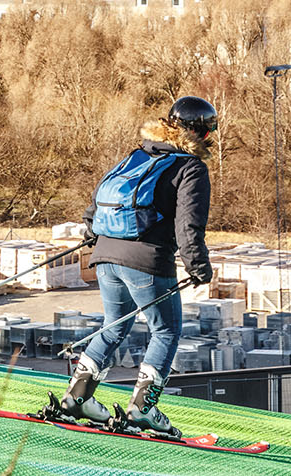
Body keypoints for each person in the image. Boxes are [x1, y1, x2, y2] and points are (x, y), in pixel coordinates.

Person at [45, 96, 216, 438]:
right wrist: (198, 265)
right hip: (147, 260)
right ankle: (143, 408)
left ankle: (77, 398)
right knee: (165, 331)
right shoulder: (190, 168)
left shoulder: (137, 154)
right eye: (210, 132)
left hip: (106, 255)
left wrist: (92, 235)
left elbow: (98, 201)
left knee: (113, 326)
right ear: (200, 132)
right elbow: (188, 226)